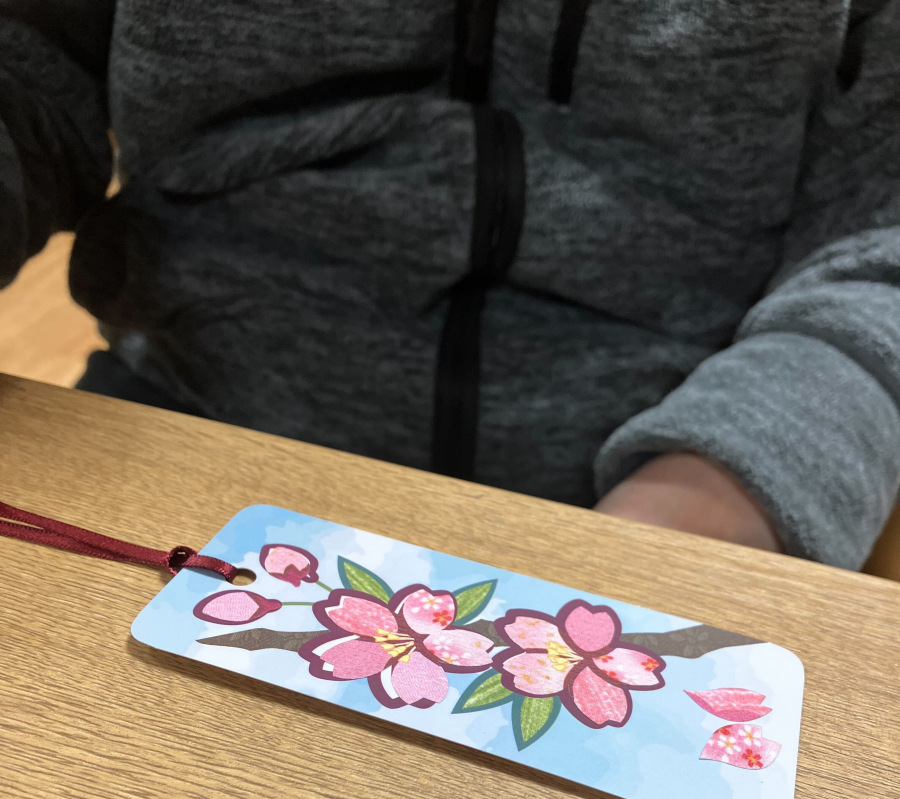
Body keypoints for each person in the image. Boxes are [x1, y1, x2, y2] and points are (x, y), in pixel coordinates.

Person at [1, 1, 898, 569]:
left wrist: (718, 493)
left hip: (678, 476)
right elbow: (27, 63)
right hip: (180, 413)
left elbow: (880, 232)